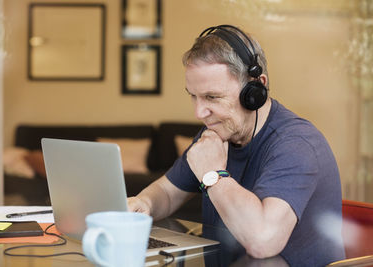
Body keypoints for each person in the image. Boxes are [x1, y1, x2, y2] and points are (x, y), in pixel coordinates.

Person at [128, 24, 345, 266]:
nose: (199, 112)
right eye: (193, 95)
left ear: (255, 90)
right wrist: (143, 203)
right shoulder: (216, 134)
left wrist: (213, 174)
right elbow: (168, 193)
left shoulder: (296, 144)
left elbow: (263, 241)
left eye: (212, 97)